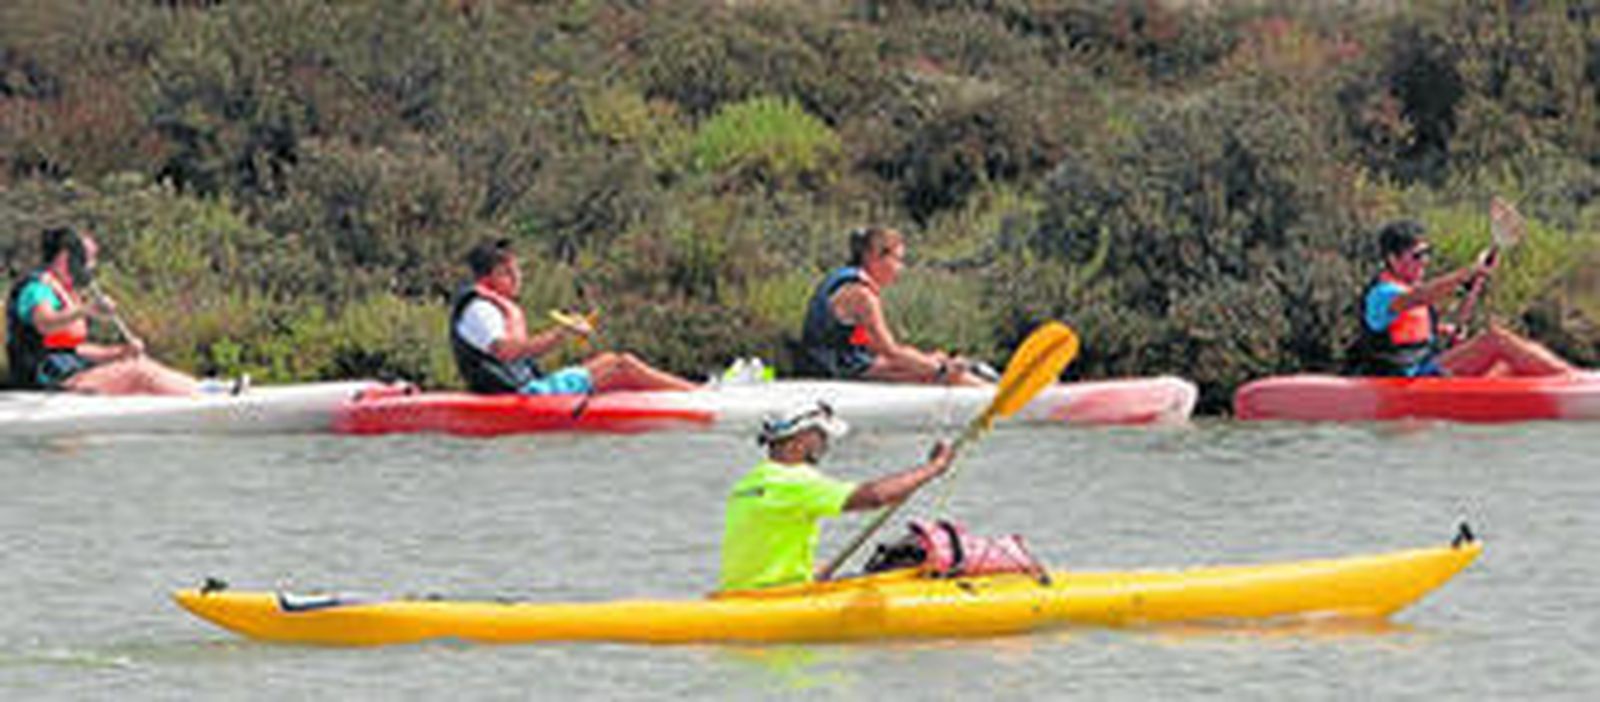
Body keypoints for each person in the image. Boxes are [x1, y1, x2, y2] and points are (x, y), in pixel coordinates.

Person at [718, 401, 956, 592]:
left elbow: (761, 554)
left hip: (740, 594)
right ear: (801, 438)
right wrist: (934, 467)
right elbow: (876, 496)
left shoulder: (748, 482)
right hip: (777, 598)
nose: (825, 444)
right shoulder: (795, 479)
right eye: (821, 435)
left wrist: (816, 575)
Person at [449, 238, 699, 395]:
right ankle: (702, 398)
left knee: (609, 360)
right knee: (622, 365)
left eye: (517, 271)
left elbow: (513, 353)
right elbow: (506, 352)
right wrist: (562, 333)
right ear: (486, 279)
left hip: (526, 389)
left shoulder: (492, 306)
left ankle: (690, 392)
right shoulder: (479, 309)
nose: (517, 279)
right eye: (507, 273)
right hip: (521, 395)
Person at [1348, 220, 1577, 378]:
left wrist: (1443, 331)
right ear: (1392, 259)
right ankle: (1574, 381)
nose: (1425, 261)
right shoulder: (1382, 295)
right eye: (1417, 256)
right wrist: (1470, 271)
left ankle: (1566, 387)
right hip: (1405, 379)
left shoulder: (1407, 290)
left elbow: (1411, 329)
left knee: (1506, 367)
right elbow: (1421, 296)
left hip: (1425, 371)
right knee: (1495, 340)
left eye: (1427, 253)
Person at [5, 227, 206, 395]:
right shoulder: (37, 289)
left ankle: (201, 390)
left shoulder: (66, 291)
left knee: (136, 362)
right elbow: (44, 323)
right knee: (139, 374)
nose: (92, 266)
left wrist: (119, 352)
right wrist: (85, 310)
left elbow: (72, 350)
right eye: (88, 258)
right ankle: (201, 398)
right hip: (45, 381)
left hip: (67, 373)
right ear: (67, 257)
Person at [797, 226, 988, 385]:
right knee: (945, 376)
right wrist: (940, 368)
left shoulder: (849, 281)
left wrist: (929, 359)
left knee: (933, 363)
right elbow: (890, 351)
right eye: (897, 260)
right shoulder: (861, 295)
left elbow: (872, 347)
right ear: (874, 257)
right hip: (835, 372)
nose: (900, 268)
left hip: (839, 365)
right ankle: (994, 400)